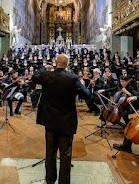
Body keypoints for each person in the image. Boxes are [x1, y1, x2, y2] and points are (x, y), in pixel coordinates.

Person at [32, 54, 90, 184]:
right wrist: (81, 84)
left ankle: (50, 179)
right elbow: (86, 95)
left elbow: (34, 76)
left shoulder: (47, 75)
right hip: (66, 121)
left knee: (50, 151)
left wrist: (44, 68)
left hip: (50, 120)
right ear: (67, 64)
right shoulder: (73, 78)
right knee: (65, 154)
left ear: (55, 63)